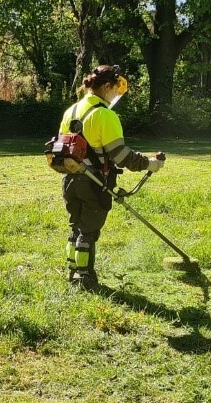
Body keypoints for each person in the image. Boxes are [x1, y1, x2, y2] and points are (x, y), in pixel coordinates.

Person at [59, 64, 164, 287]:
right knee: (88, 232)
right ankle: (85, 278)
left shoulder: (71, 111)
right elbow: (121, 156)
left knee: (76, 228)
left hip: (69, 180)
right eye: (115, 90)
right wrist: (150, 164)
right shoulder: (105, 115)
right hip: (93, 182)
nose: (116, 95)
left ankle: (72, 272)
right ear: (106, 86)